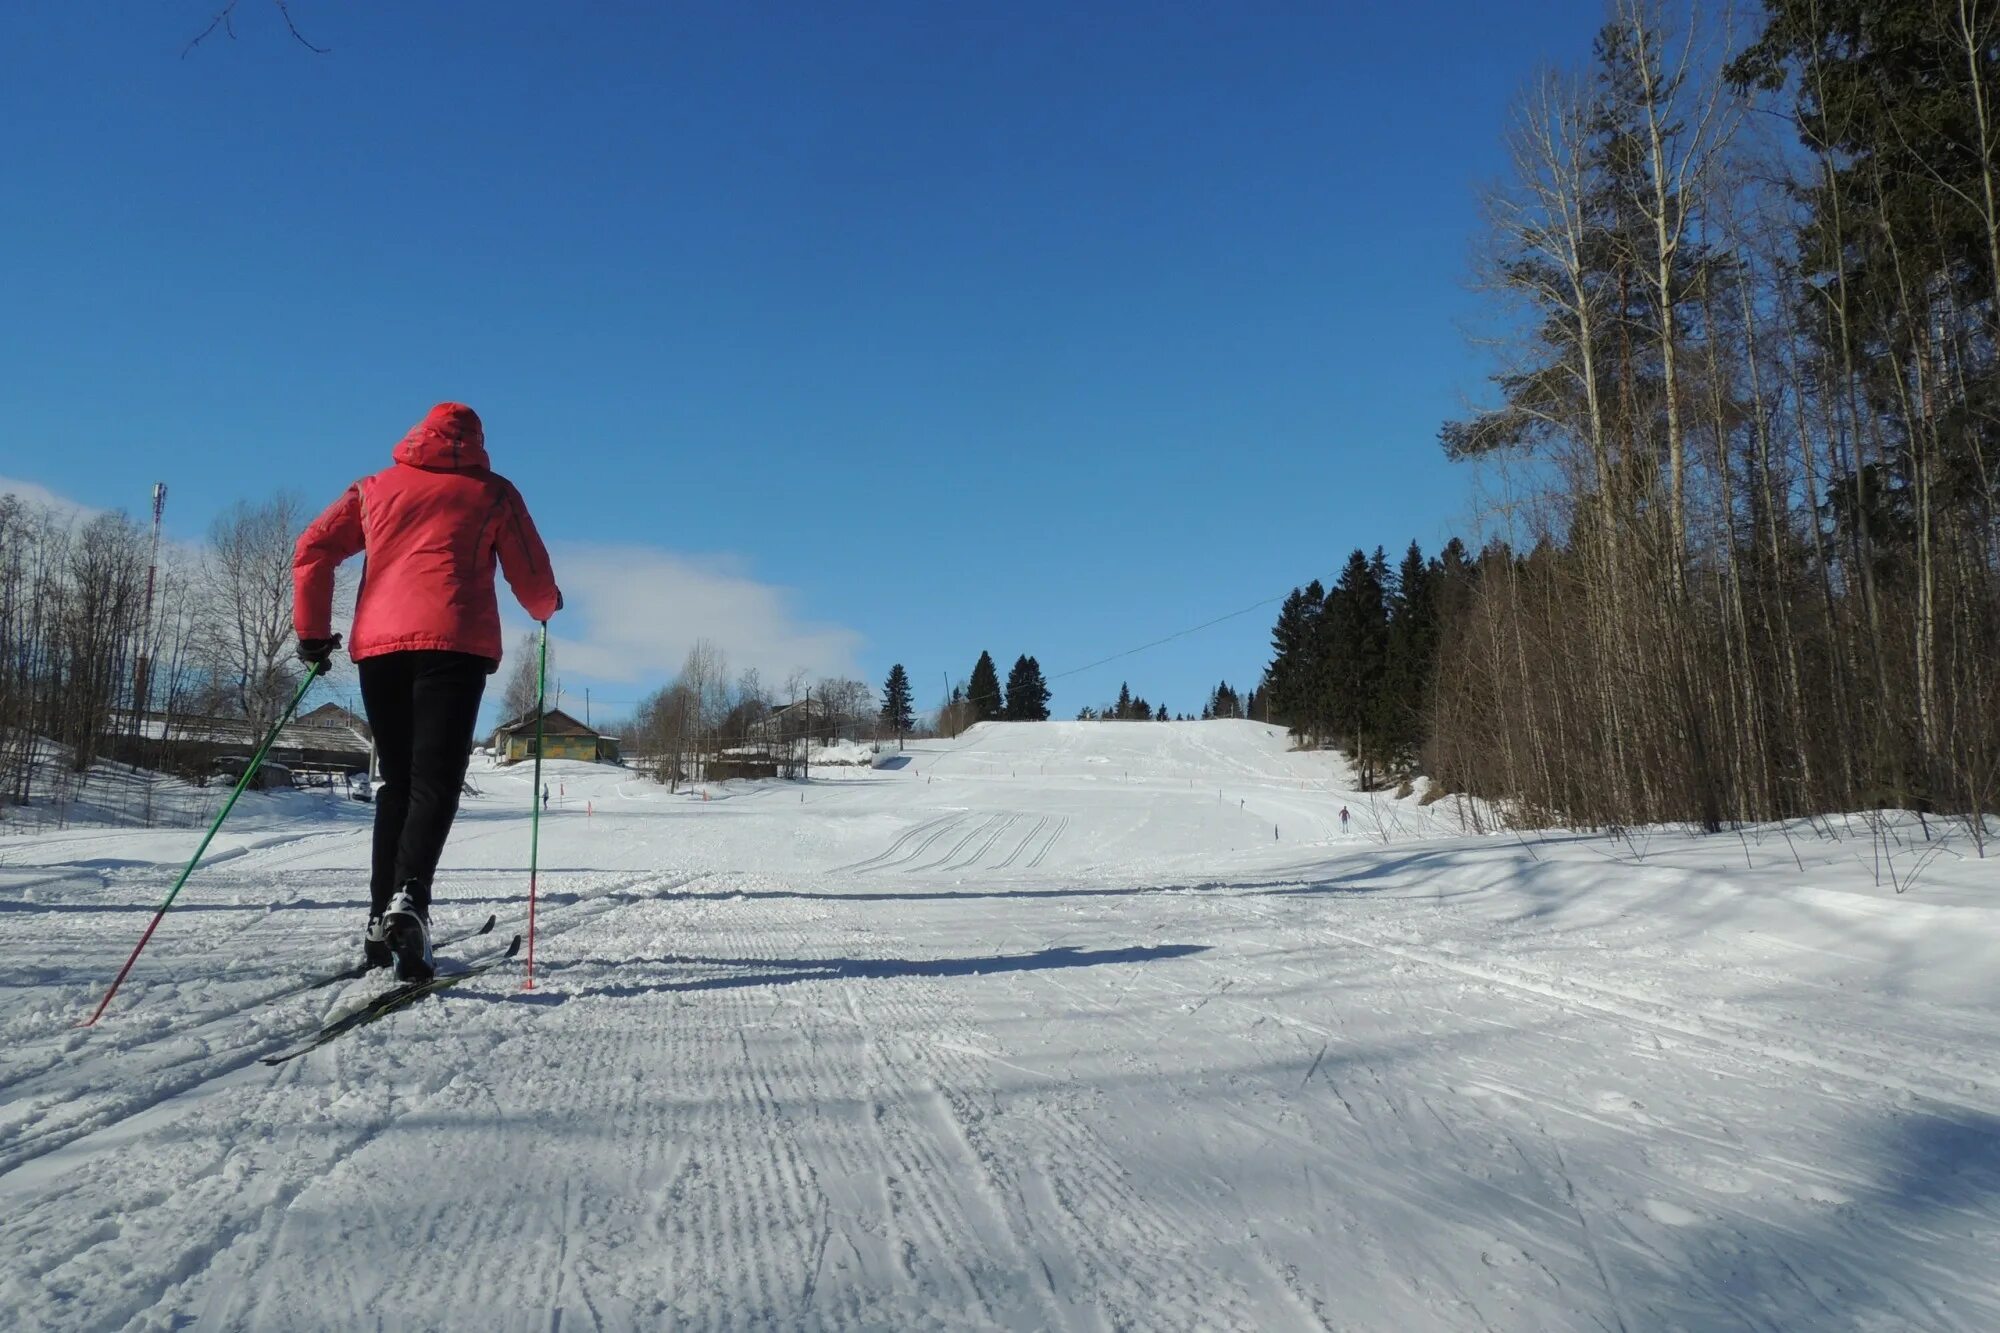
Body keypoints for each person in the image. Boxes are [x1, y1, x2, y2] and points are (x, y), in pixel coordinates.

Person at [294, 403, 561, 981]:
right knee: (435, 780)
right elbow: (532, 576)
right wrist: (546, 608)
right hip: (454, 646)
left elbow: (312, 550)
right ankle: (409, 900)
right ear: (477, 440)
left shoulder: (373, 489)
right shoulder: (493, 493)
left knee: (397, 781)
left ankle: (378, 919)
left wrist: (313, 637)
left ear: (417, 436)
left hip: (381, 650)